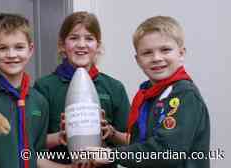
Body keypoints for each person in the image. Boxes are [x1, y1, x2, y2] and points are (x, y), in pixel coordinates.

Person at [89, 16, 210, 168]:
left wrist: (112, 155)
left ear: (181, 53)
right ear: (138, 60)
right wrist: (112, 135)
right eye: (147, 53)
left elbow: (167, 152)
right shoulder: (146, 94)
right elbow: (142, 142)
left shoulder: (184, 94)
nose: (156, 58)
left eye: (165, 50)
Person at [34, 11, 130, 167]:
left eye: (89, 38)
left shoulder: (114, 88)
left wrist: (110, 133)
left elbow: (131, 141)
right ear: (62, 45)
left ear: (98, 45)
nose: (81, 45)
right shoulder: (44, 87)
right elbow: (32, 143)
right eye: (74, 38)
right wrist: (59, 136)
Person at [0, 13, 49, 168]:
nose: (12, 55)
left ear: (30, 49)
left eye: (19, 47)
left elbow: (37, 154)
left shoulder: (40, 102)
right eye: (2, 48)